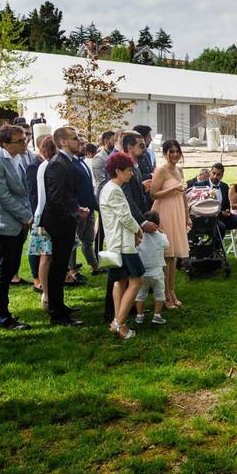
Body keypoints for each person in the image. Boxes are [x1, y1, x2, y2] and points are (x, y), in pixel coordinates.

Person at [0, 125, 33, 331]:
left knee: (10, 269)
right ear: (5, 143)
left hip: (18, 224)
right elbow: (3, 198)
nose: (24, 143)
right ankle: (3, 317)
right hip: (4, 225)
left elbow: (24, 191)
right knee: (4, 272)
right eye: (19, 141)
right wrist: (26, 217)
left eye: (24, 139)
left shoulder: (20, 158)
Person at [41, 126, 86, 326]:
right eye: (75, 138)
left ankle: (59, 306)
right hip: (59, 222)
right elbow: (56, 199)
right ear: (63, 142)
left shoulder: (67, 161)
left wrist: (77, 208)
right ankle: (56, 312)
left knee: (61, 268)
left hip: (66, 219)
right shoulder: (58, 164)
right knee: (58, 268)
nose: (79, 141)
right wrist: (74, 214)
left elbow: (68, 195)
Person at [100, 152, 144, 339]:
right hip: (123, 244)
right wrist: (139, 230)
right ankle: (118, 322)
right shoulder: (114, 189)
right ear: (117, 171)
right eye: (128, 170)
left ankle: (119, 323)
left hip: (116, 243)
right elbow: (125, 217)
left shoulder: (110, 188)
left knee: (120, 281)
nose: (131, 174)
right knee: (137, 281)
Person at [151, 139, 190, 308]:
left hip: (177, 211)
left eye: (176, 151)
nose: (174, 154)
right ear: (165, 153)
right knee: (166, 255)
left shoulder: (179, 169)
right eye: (171, 151)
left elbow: (183, 196)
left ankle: (171, 290)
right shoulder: (161, 170)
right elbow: (154, 194)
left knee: (173, 256)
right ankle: (164, 294)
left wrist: (186, 216)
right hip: (164, 212)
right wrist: (173, 189)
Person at [195, 162, 237, 266]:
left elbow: (227, 204)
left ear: (222, 175)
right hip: (206, 218)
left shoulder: (223, 186)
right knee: (221, 227)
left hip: (222, 216)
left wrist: (227, 210)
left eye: (218, 174)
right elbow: (197, 205)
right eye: (213, 173)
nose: (215, 176)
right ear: (210, 172)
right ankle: (215, 251)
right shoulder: (200, 185)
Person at [27, 136, 56, 299]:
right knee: (45, 255)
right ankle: (46, 293)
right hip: (44, 216)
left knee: (48, 256)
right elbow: (37, 195)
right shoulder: (43, 166)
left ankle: (48, 292)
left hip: (44, 215)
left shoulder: (46, 165)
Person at [71, 134, 99, 280]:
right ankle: (72, 270)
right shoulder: (71, 164)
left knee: (88, 239)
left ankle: (94, 266)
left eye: (82, 143)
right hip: (79, 209)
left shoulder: (82, 162)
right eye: (79, 142)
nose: (81, 145)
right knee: (74, 241)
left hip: (90, 207)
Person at [134, 211, 168, 325]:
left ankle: (139, 315)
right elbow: (167, 245)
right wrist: (161, 232)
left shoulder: (140, 237)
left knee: (140, 295)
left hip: (142, 272)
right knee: (159, 293)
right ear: (157, 223)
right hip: (157, 271)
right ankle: (157, 315)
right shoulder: (161, 236)